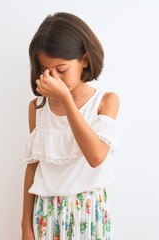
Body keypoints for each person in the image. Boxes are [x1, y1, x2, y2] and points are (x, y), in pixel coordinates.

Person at [21, 12, 120, 240]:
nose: (53, 77)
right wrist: (25, 227)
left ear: (84, 60)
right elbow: (32, 168)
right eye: (46, 69)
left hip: (88, 214)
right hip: (46, 213)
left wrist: (66, 100)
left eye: (61, 69)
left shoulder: (105, 102)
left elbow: (95, 156)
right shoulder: (37, 108)